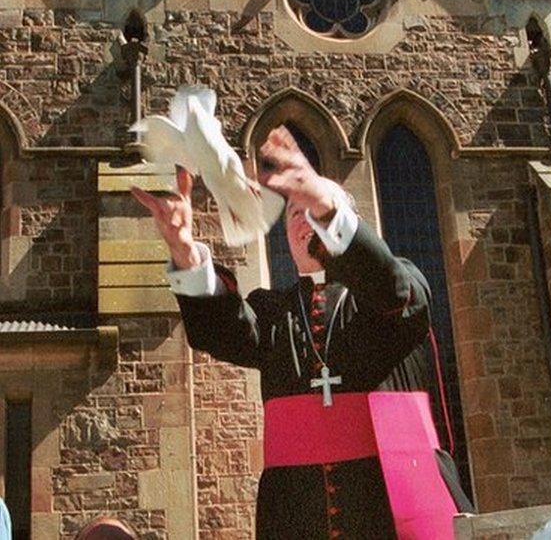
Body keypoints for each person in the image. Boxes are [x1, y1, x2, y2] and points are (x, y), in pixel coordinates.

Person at [132, 126, 470, 539]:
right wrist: (185, 255)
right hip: (297, 514)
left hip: (393, 507)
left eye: (316, 211)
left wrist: (327, 206)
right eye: (295, 214)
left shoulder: (399, 283)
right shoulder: (273, 311)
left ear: (346, 222)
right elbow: (220, 331)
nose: (304, 221)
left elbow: (392, 292)